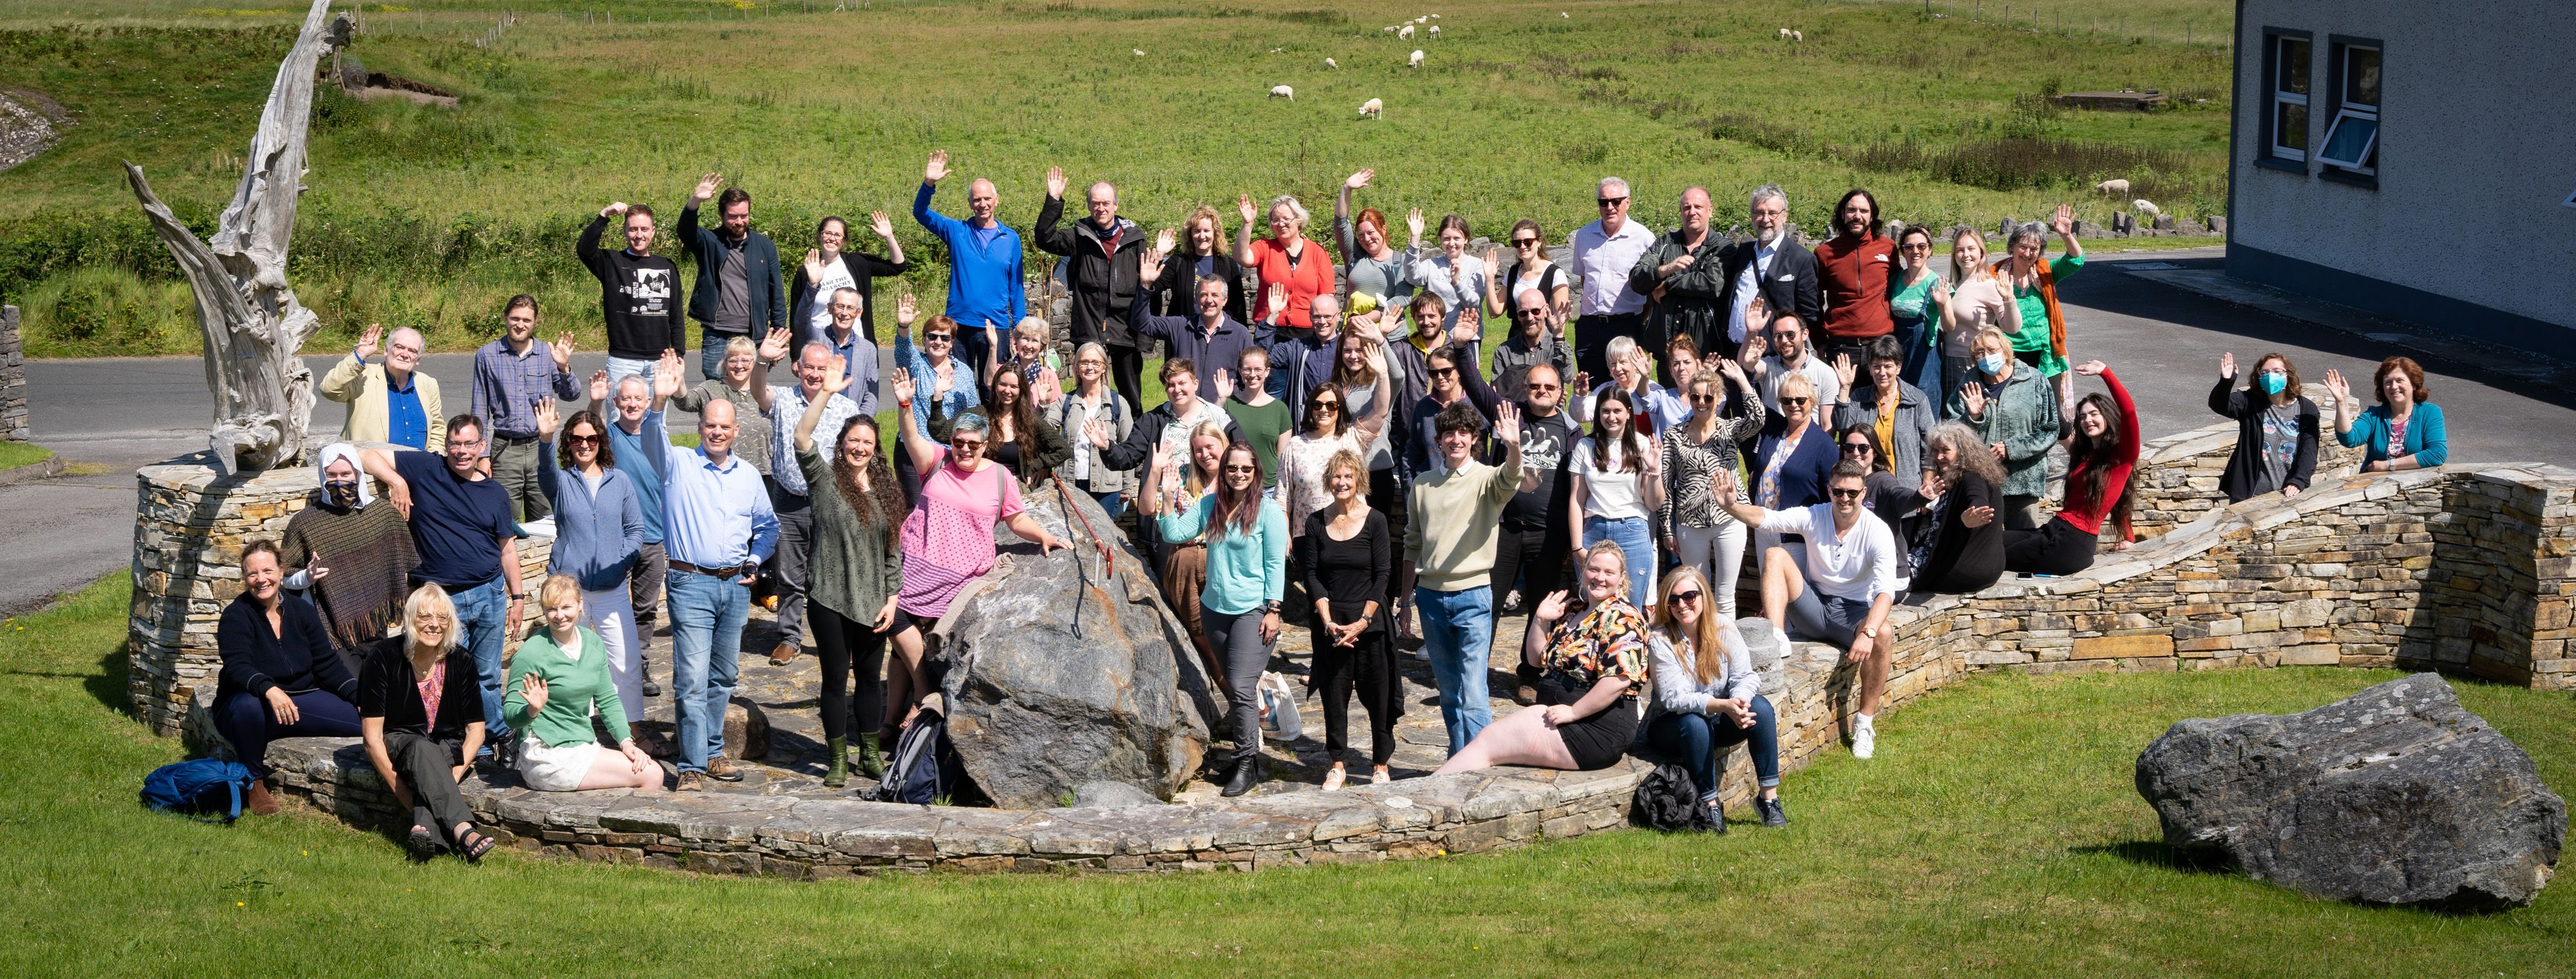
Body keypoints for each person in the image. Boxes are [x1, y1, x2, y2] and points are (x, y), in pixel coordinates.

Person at [886, 366, 1069, 727]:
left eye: (973, 444)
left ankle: (903, 719)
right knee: (897, 621)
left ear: (986, 444)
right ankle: (916, 698)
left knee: (918, 647)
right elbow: (911, 439)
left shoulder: (1001, 478)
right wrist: (906, 405)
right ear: (951, 442)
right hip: (916, 563)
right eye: (959, 443)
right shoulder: (937, 463)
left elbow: (1016, 519)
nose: (965, 450)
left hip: (960, 574)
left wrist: (1044, 536)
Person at [641, 350, 781, 791]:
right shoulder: (678, 465)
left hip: (735, 586)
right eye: (710, 425)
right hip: (691, 582)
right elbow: (649, 439)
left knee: (722, 676)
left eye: (725, 427)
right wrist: (660, 402)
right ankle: (691, 766)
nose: (717, 431)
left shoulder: (748, 477)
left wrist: (756, 561)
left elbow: (769, 526)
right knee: (691, 677)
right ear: (699, 428)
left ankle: (715, 752)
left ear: (735, 431)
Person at [359, 417, 524, 763]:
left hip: (489, 593)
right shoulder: (427, 468)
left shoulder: (495, 493)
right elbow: (365, 456)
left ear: (481, 446)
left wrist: (519, 597)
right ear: (446, 444)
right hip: (441, 600)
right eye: (455, 444)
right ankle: (480, 739)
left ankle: (489, 735)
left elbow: (507, 549)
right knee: (447, 676)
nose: (461, 452)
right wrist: (397, 481)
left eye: (469, 445)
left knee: (488, 675)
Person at [1713, 461, 1899, 759]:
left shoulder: (1877, 531)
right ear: (1829, 490)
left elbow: (1885, 592)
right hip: (1813, 605)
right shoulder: (1816, 515)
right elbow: (1768, 519)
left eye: (1852, 492)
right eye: (1838, 491)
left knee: (1884, 633)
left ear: (1864, 492)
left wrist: (1868, 632)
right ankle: (1776, 634)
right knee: (1775, 554)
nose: (1845, 498)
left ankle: (1864, 724)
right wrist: (1732, 507)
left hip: (1851, 613)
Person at [793, 358, 915, 785]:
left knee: (867, 679)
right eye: (853, 440)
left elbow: (891, 553)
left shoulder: (887, 492)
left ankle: (869, 754)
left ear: (875, 448)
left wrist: (892, 599)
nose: (859, 447)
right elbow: (801, 436)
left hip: (873, 602)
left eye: (867, 441)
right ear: (842, 444)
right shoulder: (824, 481)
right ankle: (838, 758)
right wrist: (825, 392)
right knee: (833, 679)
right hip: (828, 597)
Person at [1146, 437, 1289, 797]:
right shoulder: (1210, 504)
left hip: (1253, 610)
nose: (1238, 474)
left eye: (1246, 468)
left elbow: (1275, 564)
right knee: (1236, 687)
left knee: (1241, 687)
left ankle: (1246, 762)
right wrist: (1166, 494)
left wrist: (1274, 610)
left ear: (1256, 473)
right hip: (1215, 609)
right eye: (1232, 468)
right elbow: (1174, 532)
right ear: (1223, 472)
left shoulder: (1268, 511)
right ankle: (1247, 757)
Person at [1435, 545, 1650, 776]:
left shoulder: (1624, 617)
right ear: (1583, 569)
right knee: (1489, 743)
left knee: (1489, 740)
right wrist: (1540, 620)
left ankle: (1430, 791)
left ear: (1621, 578)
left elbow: (1618, 680)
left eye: (1609, 572)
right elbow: (1536, 660)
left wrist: (1574, 712)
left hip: (1596, 727)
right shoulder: (1574, 610)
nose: (1600, 578)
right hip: (1560, 714)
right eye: (1594, 569)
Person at [1408, 401, 1530, 756]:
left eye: (1463, 433)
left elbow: (1511, 477)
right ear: (1439, 439)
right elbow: (1411, 544)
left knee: (1474, 694)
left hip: (1473, 595)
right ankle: (1459, 756)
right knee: (1448, 692)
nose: (1456, 440)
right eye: (1449, 433)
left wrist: (1513, 445)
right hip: (1430, 599)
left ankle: (1478, 762)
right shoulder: (1422, 484)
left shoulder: (1486, 478)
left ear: (1474, 438)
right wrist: (1404, 601)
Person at [214, 540, 364, 816]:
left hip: (301, 701)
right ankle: (253, 783)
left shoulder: (302, 611)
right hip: (251, 705)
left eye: (268, 571)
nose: (261, 580)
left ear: (281, 571)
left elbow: (327, 663)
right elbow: (237, 666)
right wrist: (268, 689)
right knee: (248, 707)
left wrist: (359, 695)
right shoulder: (236, 616)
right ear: (245, 578)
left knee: (368, 719)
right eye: (252, 574)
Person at [356, 582, 493, 860]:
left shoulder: (461, 660)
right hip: (401, 743)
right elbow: (372, 740)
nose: (434, 625)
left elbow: (477, 731)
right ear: (410, 620)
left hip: (447, 748)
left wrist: (450, 778)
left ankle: (425, 831)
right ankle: (464, 830)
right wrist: (404, 794)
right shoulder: (383, 656)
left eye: (442, 617)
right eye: (425, 617)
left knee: (431, 751)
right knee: (421, 747)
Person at [1643, 566, 1785, 826]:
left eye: (1689, 596)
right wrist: (1722, 705)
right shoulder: (1661, 640)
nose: (1682, 605)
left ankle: (1768, 800)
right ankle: (1709, 805)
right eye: (1673, 600)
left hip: (1718, 719)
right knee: (1694, 723)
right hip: (1671, 726)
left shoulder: (1723, 626)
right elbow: (1674, 699)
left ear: (1703, 596)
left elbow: (1745, 676)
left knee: (1761, 708)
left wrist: (1739, 702)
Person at [532, 400, 645, 726]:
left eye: (592, 439)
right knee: (570, 664)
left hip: (612, 590)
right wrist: (545, 439)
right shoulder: (561, 482)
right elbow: (545, 471)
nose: (584, 445)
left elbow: (636, 529)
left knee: (625, 662)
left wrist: (622, 561)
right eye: (577, 439)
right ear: (568, 442)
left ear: (601, 443)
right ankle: (576, 730)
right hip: (570, 592)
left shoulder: (619, 481)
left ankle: (633, 729)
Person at [755, 337, 867, 665]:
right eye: (810, 367)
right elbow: (758, 391)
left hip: (831, 504)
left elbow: (860, 455)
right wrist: (762, 361)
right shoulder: (783, 400)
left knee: (833, 573)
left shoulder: (847, 409)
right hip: (789, 501)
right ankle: (790, 636)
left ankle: (837, 638)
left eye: (822, 368)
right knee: (790, 574)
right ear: (798, 368)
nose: (815, 374)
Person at [1291, 449, 1398, 790]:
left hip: (1371, 624)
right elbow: (1311, 575)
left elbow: (1383, 576)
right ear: (1329, 481)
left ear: (1359, 481)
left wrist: (1363, 622)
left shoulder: (1376, 520)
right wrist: (1328, 621)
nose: (1342, 482)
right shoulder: (1315, 522)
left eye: (1348, 476)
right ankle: (1336, 764)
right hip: (1331, 625)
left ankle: (1380, 764)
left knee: (1378, 697)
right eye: (1337, 476)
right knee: (1334, 698)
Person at [504, 575, 664, 794]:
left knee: (647, 770)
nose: (559, 616)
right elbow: (510, 715)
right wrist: (531, 711)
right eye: (552, 609)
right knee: (653, 774)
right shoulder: (531, 654)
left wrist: (626, 741)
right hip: (546, 753)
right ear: (544, 610)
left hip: (582, 745)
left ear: (580, 604)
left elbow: (608, 700)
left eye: (566, 607)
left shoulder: (593, 643)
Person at [279, 442, 417, 660]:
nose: (339, 481)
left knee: (377, 687)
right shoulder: (305, 523)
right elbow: (285, 578)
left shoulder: (381, 513)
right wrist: (307, 577)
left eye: (346, 474)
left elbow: (402, 562)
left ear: (358, 474)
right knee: (350, 688)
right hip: (331, 629)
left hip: (377, 622)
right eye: (331, 475)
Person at [1494, 361, 1580, 700]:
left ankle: (1530, 674)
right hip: (1506, 529)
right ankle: (1470, 671)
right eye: (1534, 387)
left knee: (1542, 609)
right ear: (1525, 390)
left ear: (1561, 392)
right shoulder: (1511, 416)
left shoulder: (1571, 431)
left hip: (1548, 534)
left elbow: (1578, 488)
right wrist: (1460, 347)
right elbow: (1474, 388)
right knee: (1490, 603)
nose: (1541, 392)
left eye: (1548, 387)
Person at [2005, 361, 2136, 575]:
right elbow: (2118, 499)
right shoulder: (2086, 456)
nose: (2087, 420)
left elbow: (2129, 412)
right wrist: (2129, 536)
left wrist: (2105, 372)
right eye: (2083, 416)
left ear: (2108, 416)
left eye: (2094, 414)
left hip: (2071, 544)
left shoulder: (2122, 455)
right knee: (1992, 541)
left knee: (1991, 554)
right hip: (2056, 531)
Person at [1660, 363, 1765, 620]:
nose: (1702, 402)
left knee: (1725, 595)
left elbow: (1758, 419)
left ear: (1718, 399)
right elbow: (1666, 483)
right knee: (1696, 592)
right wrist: (1667, 528)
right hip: (1689, 524)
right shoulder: (1674, 436)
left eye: (1708, 397)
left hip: (1729, 520)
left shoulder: (1730, 430)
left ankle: (1725, 652)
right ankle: (1699, 649)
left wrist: (1741, 379)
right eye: (1695, 397)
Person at [589, 371, 670, 699]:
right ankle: (607, 668)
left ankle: (640, 665)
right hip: (615, 538)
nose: (633, 404)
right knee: (608, 606)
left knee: (646, 610)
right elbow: (587, 431)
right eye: (627, 398)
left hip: (653, 538)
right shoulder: (608, 436)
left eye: (640, 398)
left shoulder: (659, 438)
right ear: (616, 402)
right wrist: (594, 401)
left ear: (649, 402)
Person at [1034, 167, 1149, 395]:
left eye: (1106, 203)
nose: (1101, 208)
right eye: (1096, 203)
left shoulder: (1135, 239)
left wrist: (1144, 338)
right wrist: (1053, 200)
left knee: (1131, 396)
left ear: (1116, 205)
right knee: (1088, 393)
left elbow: (1146, 286)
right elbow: (1044, 238)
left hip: (1125, 328)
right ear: (1089, 206)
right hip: (1089, 326)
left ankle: (1131, 431)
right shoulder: (1080, 235)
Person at [470, 296, 582, 519]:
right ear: (506, 318)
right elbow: (479, 411)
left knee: (546, 518)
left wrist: (563, 366)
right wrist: (481, 456)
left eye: (526, 320)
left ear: (535, 322)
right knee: (504, 521)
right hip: (505, 450)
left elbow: (572, 395)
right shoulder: (487, 355)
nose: (520, 325)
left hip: (540, 448)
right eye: (515, 318)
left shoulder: (547, 355)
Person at [913, 149, 1025, 371]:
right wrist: (928, 184)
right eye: (977, 199)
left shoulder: (1011, 238)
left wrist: (1020, 329)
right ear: (970, 203)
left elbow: (1016, 288)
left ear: (996, 200)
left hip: (996, 327)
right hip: (958, 326)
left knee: (993, 391)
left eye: (987, 198)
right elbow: (921, 213)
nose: (982, 204)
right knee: (956, 389)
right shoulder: (956, 231)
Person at [1945, 327, 2061, 530]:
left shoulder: (2033, 380)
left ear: (2005, 352)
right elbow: (1951, 432)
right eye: (1979, 353)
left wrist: (2011, 449)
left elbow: (2050, 429)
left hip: (2023, 482)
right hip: (1983, 483)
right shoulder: (1969, 383)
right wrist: (1973, 418)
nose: (1985, 357)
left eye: (1991, 350)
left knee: (2023, 545)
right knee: (1986, 549)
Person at [678, 174, 788, 381]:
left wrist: (778, 336)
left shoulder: (765, 247)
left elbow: (777, 294)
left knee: (753, 393)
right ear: (721, 214)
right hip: (717, 335)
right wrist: (695, 202)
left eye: (744, 216)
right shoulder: (710, 241)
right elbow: (685, 232)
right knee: (715, 394)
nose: (739, 222)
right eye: (732, 216)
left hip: (754, 336)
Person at [578, 201, 687, 389]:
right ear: (624, 231)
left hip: (660, 361)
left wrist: (678, 353)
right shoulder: (611, 262)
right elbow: (584, 250)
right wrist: (604, 215)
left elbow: (676, 313)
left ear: (653, 231)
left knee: (656, 418)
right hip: (623, 360)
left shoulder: (667, 267)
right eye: (633, 229)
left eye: (644, 229)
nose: (639, 235)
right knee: (620, 417)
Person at [1569, 388, 1662, 603]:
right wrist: (1577, 547)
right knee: (1591, 606)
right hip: (1593, 531)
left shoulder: (1643, 445)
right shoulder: (1586, 446)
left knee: (1631, 606)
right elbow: (1576, 499)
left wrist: (1655, 471)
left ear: (1628, 413)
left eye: (1617, 411)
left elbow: (1654, 503)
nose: (1611, 417)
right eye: (1605, 411)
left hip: (1633, 531)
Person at [1629, 186, 1730, 370]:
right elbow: (1636, 279)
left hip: (1707, 352)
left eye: (1698, 207)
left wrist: (1668, 284)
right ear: (1681, 211)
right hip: (1666, 350)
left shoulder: (1723, 247)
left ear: (1710, 210)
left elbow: (1712, 283)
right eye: (1687, 207)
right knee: (1669, 398)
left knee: (1705, 398)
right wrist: (1664, 269)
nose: (1692, 212)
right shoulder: (1665, 244)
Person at [1568, 176, 1658, 384]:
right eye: (1603, 202)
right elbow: (1584, 279)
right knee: (1593, 389)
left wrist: (1638, 321)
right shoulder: (1584, 235)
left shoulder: (1643, 238)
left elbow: (1651, 290)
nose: (1610, 207)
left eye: (1616, 201)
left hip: (1626, 324)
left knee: (1627, 387)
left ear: (1628, 202)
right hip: (1589, 327)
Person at [889, 298, 982, 497]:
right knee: (915, 508)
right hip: (913, 451)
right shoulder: (916, 365)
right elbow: (904, 348)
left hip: (951, 453)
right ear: (924, 339)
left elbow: (973, 413)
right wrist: (904, 327)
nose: (938, 342)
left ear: (952, 342)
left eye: (944, 338)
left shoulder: (964, 372)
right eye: (932, 336)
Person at [1718, 184, 1821, 357]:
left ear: (1785, 216)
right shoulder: (1743, 252)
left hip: (1773, 357)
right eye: (1759, 212)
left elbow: (1809, 315)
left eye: (1773, 213)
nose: (1765, 219)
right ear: (1752, 216)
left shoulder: (1801, 259)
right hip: (1732, 353)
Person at [1278, 380, 1390, 541]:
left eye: (1331, 405)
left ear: (1340, 409)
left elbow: (1380, 412)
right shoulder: (1295, 445)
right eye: (1317, 405)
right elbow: (1283, 498)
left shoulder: (1353, 438)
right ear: (1310, 408)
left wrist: (1382, 373)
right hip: (1308, 537)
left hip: (1352, 535)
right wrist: (1284, 536)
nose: (1324, 410)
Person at [2000, 205, 2083, 412]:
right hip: (2012, 357)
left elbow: (2076, 261)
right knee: (2018, 414)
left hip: (2046, 357)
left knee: (2052, 417)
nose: (2028, 253)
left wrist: (2066, 235)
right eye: (2023, 246)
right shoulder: (1997, 276)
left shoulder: (2045, 273)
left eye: (2034, 249)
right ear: (2012, 246)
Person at [1909, 422, 2007, 594]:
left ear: (1963, 452)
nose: (1939, 457)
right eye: (1936, 451)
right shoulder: (1959, 477)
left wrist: (1970, 517)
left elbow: (1976, 497)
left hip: (1963, 570)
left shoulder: (1971, 478)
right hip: (1981, 568)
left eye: (1945, 451)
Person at [2210, 352, 2322, 503]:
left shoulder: (2306, 408)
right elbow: (2219, 405)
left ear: (2288, 374)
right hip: (2248, 493)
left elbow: (2309, 450)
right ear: (2259, 377)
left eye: (2277, 372)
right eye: (2265, 373)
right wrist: (2226, 381)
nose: (2271, 376)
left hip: (2285, 492)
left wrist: (2299, 481)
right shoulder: (2249, 401)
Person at [1746, 373, 1837, 556]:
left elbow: (1830, 497)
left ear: (1812, 401)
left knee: (1794, 586)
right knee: (1767, 582)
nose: (1793, 405)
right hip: (1763, 524)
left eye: (1800, 400)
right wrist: (1743, 375)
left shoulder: (1824, 445)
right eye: (1787, 400)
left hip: (1796, 535)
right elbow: (1751, 401)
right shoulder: (1775, 429)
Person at [1132, 256, 1258, 387]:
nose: (1209, 300)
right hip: (1187, 405)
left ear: (1225, 300)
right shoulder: (1180, 327)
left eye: (1215, 295)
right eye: (1203, 295)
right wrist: (1145, 286)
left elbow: (1252, 375)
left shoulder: (1240, 334)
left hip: (1226, 405)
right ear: (1197, 299)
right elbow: (1141, 323)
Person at [1831, 334, 1936, 491]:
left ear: (1898, 368)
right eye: (1877, 366)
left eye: (1888, 366)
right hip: (1866, 488)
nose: (1882, 372)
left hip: (1906, 490)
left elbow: (1930, 447)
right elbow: (1841, 425)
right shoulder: (1860, 397)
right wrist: (1845, 389)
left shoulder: (1917, 400)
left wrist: (1926, 485)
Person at [668, 335, 776, 483]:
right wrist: (678, 382)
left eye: (745, 360)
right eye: (733, 360)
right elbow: (686, 403)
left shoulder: (766, 393)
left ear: (755, 363)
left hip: (766, 473)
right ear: (725, 362)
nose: (739, 366)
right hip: (720, 471)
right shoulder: (711, 388)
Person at [1833, 424, 1927, 591]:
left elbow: (1899, 495)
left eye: (1863, 448)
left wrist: (1918, 497)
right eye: (1849, 447)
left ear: (1875, 452)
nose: (1856, 453)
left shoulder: (1883, 481)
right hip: (1856, 573)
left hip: (1888, 577)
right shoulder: (1838, 482)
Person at [788, 212, 907, 344]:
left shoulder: (857, 263)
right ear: (820, 235)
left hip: (856, 344)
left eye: (838, 235)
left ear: (844, 240)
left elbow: (898, 267)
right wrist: (796, 355)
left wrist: (889, 237)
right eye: (827, 233)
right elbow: (796, 315)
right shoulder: (806, 272)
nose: (832, 238)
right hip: (818, 347)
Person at [321, 323, 444, 451]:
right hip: (369, 468)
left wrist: (433, 459)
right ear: (386, 350)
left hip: (418, 468)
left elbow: (437, 429)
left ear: (418, 359)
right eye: (399, 347)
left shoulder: (428, 384)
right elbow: (329, 390)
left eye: (412, 351)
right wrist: (360, 354)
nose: (405, 354)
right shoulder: (362, 374)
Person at [1233, 193, 1332, 348]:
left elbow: (1328, 297)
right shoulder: (1265, 247)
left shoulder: (1318, 253)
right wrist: (1248, 224)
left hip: (1308, 334)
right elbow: (1242, 257)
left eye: (1286, 219)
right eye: (1276, 220)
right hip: (1271, 330)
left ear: (1299, 220)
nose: (1281, 224)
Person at [1811, 189, 1896, 364]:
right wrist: (1818, 341)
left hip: (1881, 344)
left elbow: (1900, 288)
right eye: (1851, 210)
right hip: (1841, 348)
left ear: (1872, 217)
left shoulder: (1888, 248)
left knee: (1884, 393)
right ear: (1843, 214)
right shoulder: (1824, 253)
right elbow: (1813, 300)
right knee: (1842, 393)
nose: (1857, 216)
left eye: (1864, 211)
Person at [1935, 228, 2018, 406]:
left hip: (1975, 363)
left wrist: (2009, 299)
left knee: (1975, 415)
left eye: (1971, 249)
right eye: (1960, 250)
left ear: (1981, 252)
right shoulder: (1953, 285)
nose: (1966, 254)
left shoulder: (1989, 285)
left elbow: (2012, 328)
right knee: (1954, 418)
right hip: (1950, 361)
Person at [1052, 342, 1136, 517]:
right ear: (1077, 368)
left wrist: (1127, 487)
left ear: (1104, 367)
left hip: (1107, 487)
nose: (1089, 367)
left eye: (1095, 362)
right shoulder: (1065, 401)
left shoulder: (1118, 404)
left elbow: (1129, 448)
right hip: (1071, 482)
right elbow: (1045, 431)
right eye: (1083, 362)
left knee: (1101, 538)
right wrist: (1045, 404)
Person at [1404, 337, 1502, 481]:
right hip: (1433, 488)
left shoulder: (1479, 403)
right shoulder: (1423, 407)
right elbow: (1413, 453)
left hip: (1473, 487)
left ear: (1459, 371)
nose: (1440, 377)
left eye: (1446, 371)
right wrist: (1412, 489)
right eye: (1434, 373)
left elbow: (1498, 446)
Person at [1146, 205, 1252, 340]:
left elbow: (1238, 307)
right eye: (1197, 231)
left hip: (1219, 337)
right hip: (1184, 335)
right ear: (1190, 234)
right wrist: (1160, 254)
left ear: (1215, 233)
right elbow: (1154, 287)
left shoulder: (1228, 265)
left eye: (1207, 231)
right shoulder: (1178, 262)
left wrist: (1239, 339)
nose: (1202, 236)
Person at [2327, 356, 2448, 474]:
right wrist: (2342, 402)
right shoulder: (2374, 415)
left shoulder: (2430, 412)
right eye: (2388, 382)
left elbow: (2437, 454)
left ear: (2414, 384)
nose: (2394, 387)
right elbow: (2349, 439)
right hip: (2375, 487)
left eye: (2400, 381)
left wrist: (2388, 465)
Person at [958, 366, 1070, 485]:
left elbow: (1064, 450)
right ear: (995, 385)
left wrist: (1035, 465)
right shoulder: (980, 413)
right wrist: (938, 398)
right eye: (1003, 384)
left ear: (1021, 390)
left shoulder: (1030, 419)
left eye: (1014, 387)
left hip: (1015, 486)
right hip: (982, 484)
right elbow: (941, 431)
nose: (1007, 391)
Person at [1333, 169, 1416, 325]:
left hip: (1389, 338)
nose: (1367, 239)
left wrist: (1367, 318)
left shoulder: (1401, 261)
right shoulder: (1355, 256)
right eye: (1361, 235)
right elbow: (1341, 224)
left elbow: (1403, 298)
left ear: (1383, 229)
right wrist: (1346, 188)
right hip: (1352, 337)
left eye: (1371, 232)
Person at [1405, 212, 1493, 339]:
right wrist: (1415, 238)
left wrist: (1457, 282)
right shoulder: (1432, 264)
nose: (1451, 243)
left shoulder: (1477, 265)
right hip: (1435, 337)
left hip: (1466, 337)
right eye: (1446, 239)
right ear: (1440, 239)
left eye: (1457, 238)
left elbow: (1474, 303)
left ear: (1466, 239)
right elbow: (1412, 277)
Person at [1218, 347, 1294, 496]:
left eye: (1258, 369)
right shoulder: (1228, 404)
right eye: (1247, 370)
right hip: (1236, 485)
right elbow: (1214, 437)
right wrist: (1221, 400)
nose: (1253, 375)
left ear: (1267, 371)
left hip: (1269, 488)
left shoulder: (1280, 409)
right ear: (1240, 371)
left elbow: (1282, 457)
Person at [1738, 310, 1841, 419]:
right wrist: (1752, 333)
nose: (1784, 340)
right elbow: (1743, 367)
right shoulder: (1769, 366)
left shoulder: (1825, 373)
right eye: (1778, 336)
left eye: (1790, 335)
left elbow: (1827, 427)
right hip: (1773, 434)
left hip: (1809, 435)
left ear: (1805, 334)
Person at [1888, 224, 1948, 398]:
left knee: (1925, 400)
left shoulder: (1937, 282)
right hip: (1898, 354)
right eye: (1909, 247)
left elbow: (1950, 326)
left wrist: (1943, 304)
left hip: (1924, 358)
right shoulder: (1895, 280)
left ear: (1930, 250)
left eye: (1921, 246)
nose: (1916, 251)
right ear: (1903, 251)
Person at [1570, 336, 1676, 434]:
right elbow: (1580, 417)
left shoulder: (1654, 389)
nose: (1618, 368)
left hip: (1646, 450)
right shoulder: (1604, 391)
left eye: (1623, 362)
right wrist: (1580, 396)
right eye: (1613, 364)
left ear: (1635, 364)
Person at [1492, 283, 1574, 404]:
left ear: (1546, 310)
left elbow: (1568, 377)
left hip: (1549, 419)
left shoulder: (1558, 345)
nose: (1530, 318)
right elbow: (1497, 394)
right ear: (1518, 314)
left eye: (1535, 311)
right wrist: (1546, 396)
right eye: (1524, 313)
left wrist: (1558, 335)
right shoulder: (1504, 351)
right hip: (1517, 418)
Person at [810, 287, 884, 406]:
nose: (844, 313)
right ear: (830, 308)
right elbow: (801, 321)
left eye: (850, 308)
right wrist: (812, 286)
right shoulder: (816, 338)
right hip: (817, 416)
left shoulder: (868, 349)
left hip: (852, 420)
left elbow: (871, 396)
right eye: (840, 306)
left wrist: (859, 421)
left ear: (859, 313)